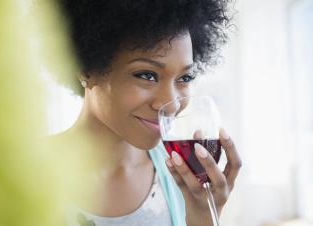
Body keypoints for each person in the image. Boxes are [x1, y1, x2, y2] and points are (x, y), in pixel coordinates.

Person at [53, 0, 242, 226]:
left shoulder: (183, 178)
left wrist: (203, 215)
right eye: (147, 75)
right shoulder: (16, 174)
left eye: (185, 78)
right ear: (87, 68)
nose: (171, 105)